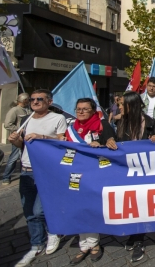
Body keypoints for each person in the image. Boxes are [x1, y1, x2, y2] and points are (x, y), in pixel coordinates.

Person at [9, 89, 67, 267]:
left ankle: (53, 232)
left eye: (39, 99)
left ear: (49, 101)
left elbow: (62, 143)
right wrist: (15, 141)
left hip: (46, 170)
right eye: (32, 99)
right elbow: (23, 145)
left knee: (39, 210)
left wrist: (42, 137)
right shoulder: (26, 119)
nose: (34, 102)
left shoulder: (58, 119)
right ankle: (36, 244)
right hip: (26, 170)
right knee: (29, 213)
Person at [66, 97, 116, 264]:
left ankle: (94, 244)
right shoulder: (71, 128)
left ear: (93, 111)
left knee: (91, 208)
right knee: (78, 208)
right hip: (75, 174)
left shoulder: (102, 126)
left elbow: (112, 143)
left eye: (85, 109)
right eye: (78, 109)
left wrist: (101, 144)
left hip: (94, 175)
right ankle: (83, 245)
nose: (80, 112)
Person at [107, 92, 155, 262]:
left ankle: (139, 240)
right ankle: (133, 234)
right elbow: (116, 142)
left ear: (131, 105)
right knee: (130, 204)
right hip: (126, 172)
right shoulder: (121, 122)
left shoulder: (149, 123)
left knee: (141, 204)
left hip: (144, 172)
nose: (119, 107)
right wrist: (109, 141)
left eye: (122, 104)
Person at [2, 93, 31, 184]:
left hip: (27, 137)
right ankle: (6, 177)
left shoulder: (28, 110)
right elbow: (8, 124)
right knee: (14, 158)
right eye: (28, 100)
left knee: (25, 157)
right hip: (18, 138)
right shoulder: (14, 110)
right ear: (24, 100)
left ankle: (23, 174)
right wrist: (18, 130)